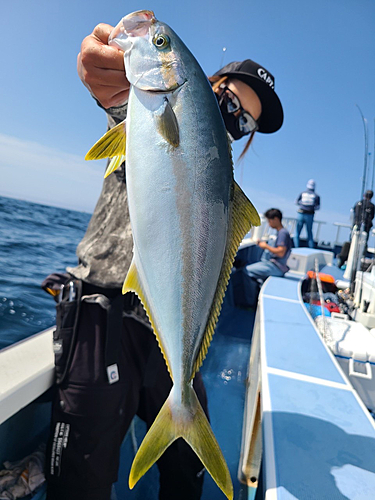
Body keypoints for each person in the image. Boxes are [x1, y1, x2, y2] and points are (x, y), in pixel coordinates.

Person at [44, 22, 284, 500]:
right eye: (233, 105)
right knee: (81, 479)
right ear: (208, 86)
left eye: (246, 123)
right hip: (104, 308)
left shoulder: (221, 183)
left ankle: (182, 409)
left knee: (187, 474)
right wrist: (111, 87)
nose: (235, 122)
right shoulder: (148, 112)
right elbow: (123, 114)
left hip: (171, 333)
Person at [245, 208, 292, 279]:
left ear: (275, 219)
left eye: (269, 221)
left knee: (246, 270)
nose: (269, 224)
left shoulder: (282, 233)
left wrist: (266, 246)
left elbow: (281, 252)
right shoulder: (281, 232)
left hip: (277, 267)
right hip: (274, 265)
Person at [294, 179, 320, 248]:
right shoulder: (316, 196)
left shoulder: (302, 193)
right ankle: (311, 248)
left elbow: (296, 202)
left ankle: (296, 247)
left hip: (301, 213)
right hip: (310, 215)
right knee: (309, 233)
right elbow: (318, 207)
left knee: (297, 233)